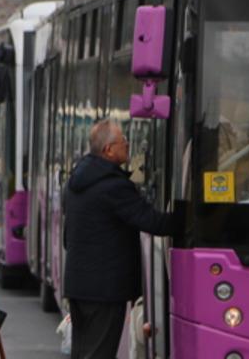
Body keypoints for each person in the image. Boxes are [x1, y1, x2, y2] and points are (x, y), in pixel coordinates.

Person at [63, 119, 174, 359]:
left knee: (82, 352)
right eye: (123, 142)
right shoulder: (113, 186)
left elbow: (67, 234)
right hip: (104, 290)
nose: (128, 145)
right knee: (98, 353)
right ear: (108, 150)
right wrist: (191, 217)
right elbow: (151, 221)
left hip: (78, 285)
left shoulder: (76, 181)